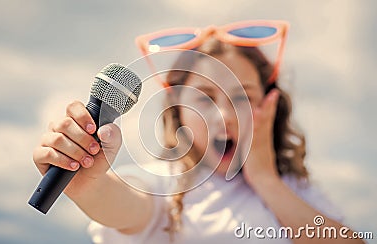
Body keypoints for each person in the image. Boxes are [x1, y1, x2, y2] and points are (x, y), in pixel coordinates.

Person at [32, 20, 364, 243]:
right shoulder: (167, 184)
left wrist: (266, 180)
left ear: (270, 106)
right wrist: (90, 185)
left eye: (242, 96)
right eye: (205, 98)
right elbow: (127, 206)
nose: (223, 114)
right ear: (178, 111)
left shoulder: (296, 191)